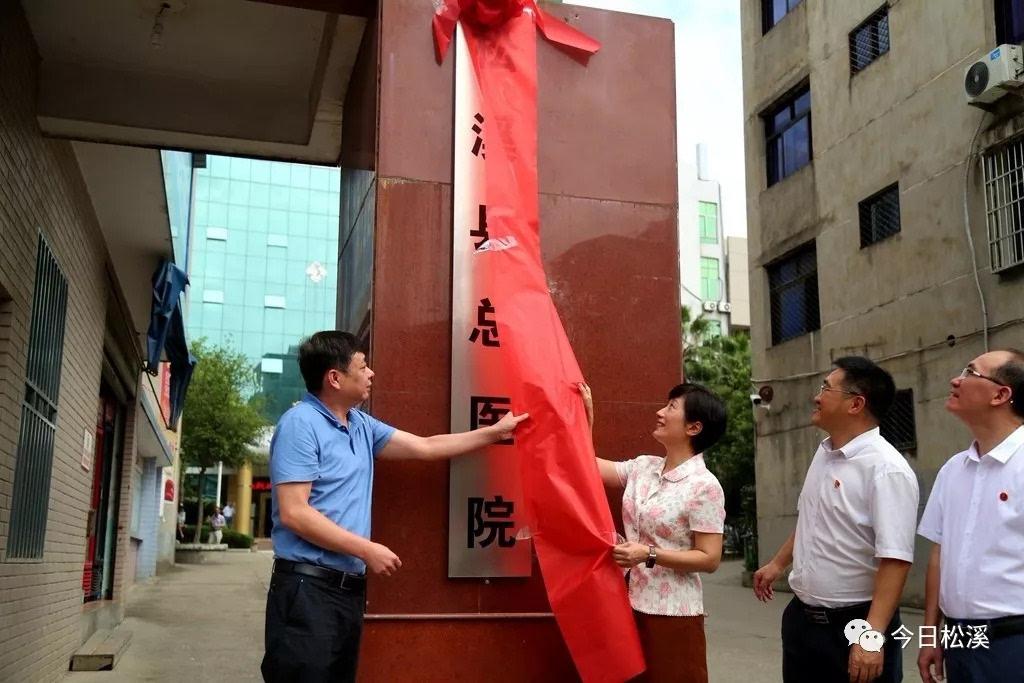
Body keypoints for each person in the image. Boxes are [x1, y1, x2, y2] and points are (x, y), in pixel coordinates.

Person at [261, 331, 528, 683]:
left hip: (347, 591)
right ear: (335, 378)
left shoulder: (360, 424)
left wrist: (494, 432)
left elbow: (425, 447)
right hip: (306, 591)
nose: (371, 373)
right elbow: (295, 513)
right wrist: (366, 549)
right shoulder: (301, 424)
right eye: (362, 366)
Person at [753, 356, 919, 683]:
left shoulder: (886, 469)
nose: (816, 396)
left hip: (855, 624)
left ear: (856, 404)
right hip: (802, 621)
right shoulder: (825, 453)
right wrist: (778, 564)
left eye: (826, 388)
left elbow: (896, 559)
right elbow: (814, 520)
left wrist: (872, 636)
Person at [581, 381, 726, 683]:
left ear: (693, 427)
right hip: (627, 602)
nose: (660, 413)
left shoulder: (705, 486)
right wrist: (585, 419)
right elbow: (587, 468)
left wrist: (648, 554)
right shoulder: (643, 467)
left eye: (671, 407)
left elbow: (709, 558)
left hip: (672, 614)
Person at [917, 349, 1024, 682]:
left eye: (970, 372)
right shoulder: (953, 470)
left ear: (1000, 395)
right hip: (959, 640)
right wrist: (929, 635)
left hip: (1013, 643)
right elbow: (939, 555)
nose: (956, 380)